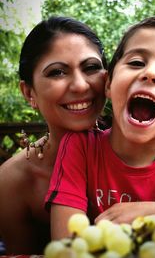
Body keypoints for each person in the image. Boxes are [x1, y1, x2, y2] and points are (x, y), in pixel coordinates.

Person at [45, 16, 155, 240]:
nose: (151, 73)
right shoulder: (80, 148)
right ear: (108, 83)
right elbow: (65, 246)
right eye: (136, 62)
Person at [0, 16, 108, 254]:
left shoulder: (147, 155)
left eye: (91, 67)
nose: (80, 85)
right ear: (29, 92)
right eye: (57, 72)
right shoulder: (12, 181)